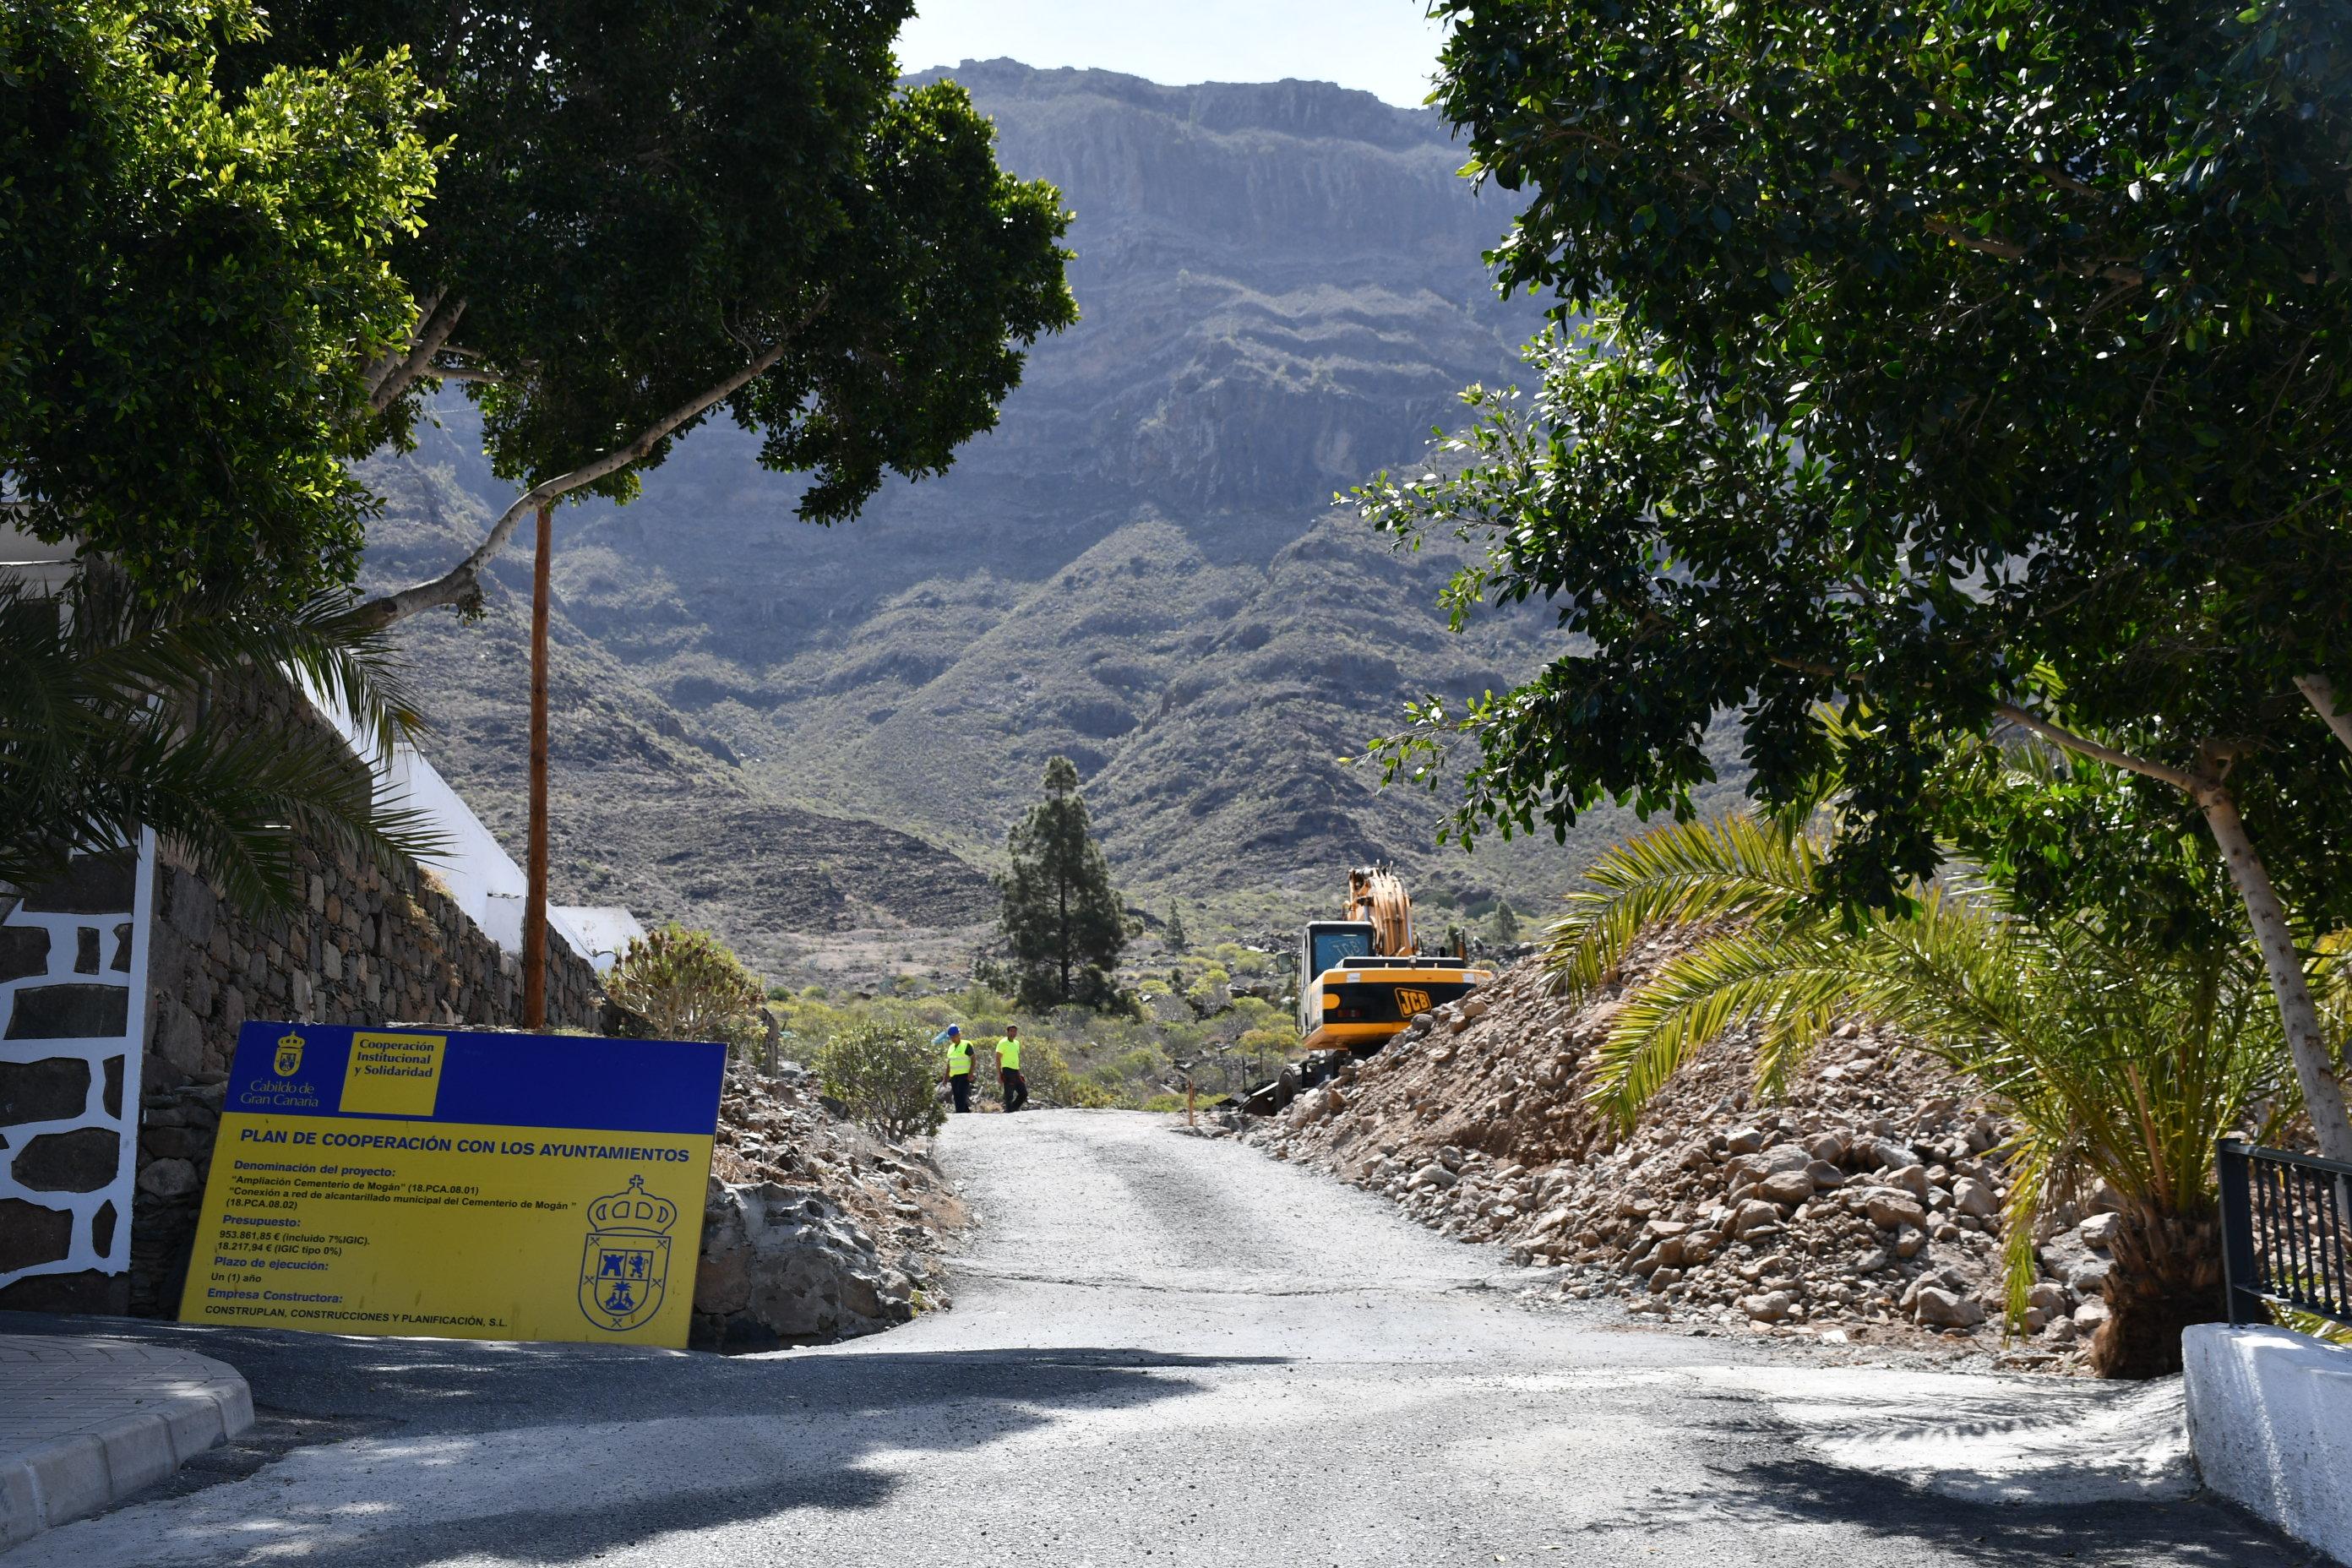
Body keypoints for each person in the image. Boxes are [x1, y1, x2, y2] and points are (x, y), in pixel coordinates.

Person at [934, 1024, 973, 1113]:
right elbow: (949, 1063)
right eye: (951, 1037)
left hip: (964, 1075)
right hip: (954, 1076)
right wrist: (945, 1077)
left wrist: (971, 1073)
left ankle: (959, 1114)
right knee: (957, 1096)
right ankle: (966, 1114)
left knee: (961, 1096)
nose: (953, 1039)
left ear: (959, 1035)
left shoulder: (966, 1045)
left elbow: (973, 1059)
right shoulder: (951, 1047)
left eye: (955, 1036)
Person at [996, 1023, 1028, 1112]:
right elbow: (998, 1058)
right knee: (1009, 1095)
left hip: (1016, 1071)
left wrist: (1018, 1071)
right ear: (1007, 1032)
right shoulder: (1003, 1043)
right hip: (1007, 1070)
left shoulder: (1017, 1043)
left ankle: (1012, 1109)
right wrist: (999, 1074)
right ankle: (1009, 1112)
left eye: (1015, 1031)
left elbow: (1015, 1057)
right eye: (1011, 1031)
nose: (1013, 1033)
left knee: (1023, 1093)